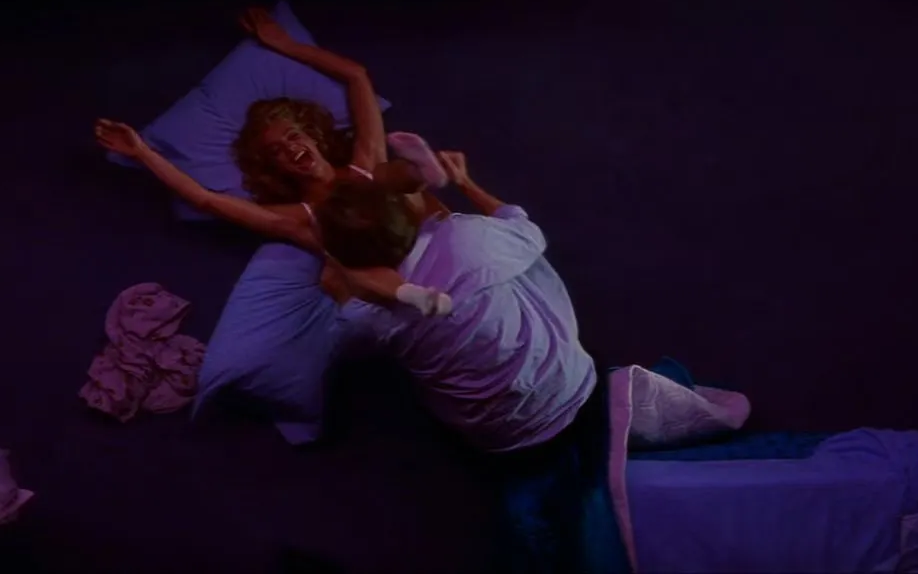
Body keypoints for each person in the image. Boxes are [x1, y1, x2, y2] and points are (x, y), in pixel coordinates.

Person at [314, 151, 751, 452]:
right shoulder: (467, 238)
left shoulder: (364, 317)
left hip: (495, 441)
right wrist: (466, 184)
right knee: (513, 266)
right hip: (571, 391)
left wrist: (339, 287)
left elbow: (347, 342)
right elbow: (523, 227)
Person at [93, 6, 450, 314]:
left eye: (293, 136)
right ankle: (409, 294)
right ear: (275, 169)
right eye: (276, 151)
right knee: (337, 269)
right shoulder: (300, 218)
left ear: (314, 137)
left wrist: (285, 45)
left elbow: (357, 77)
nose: (289, 149)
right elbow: (205, 199)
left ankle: (423, 173)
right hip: (386, 271)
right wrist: (143, 152)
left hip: (420, 230)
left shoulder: (363, 164)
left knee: (383, 175)